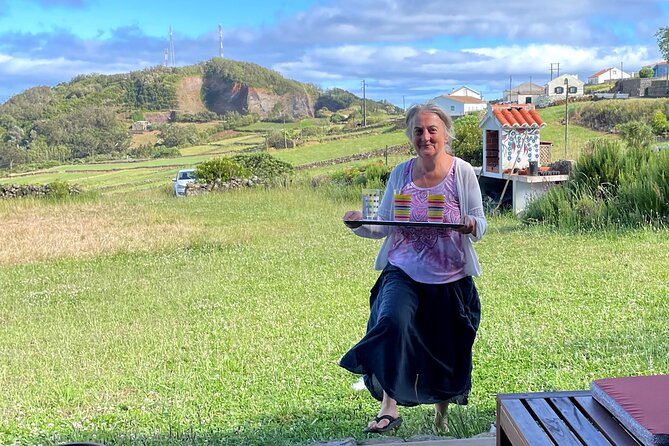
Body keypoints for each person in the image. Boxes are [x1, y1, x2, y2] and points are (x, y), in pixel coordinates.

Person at [340, 103, 486, 434]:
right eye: (418, 131)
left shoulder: (461, 172)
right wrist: (358, 225)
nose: (425, 137)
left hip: (449, 275)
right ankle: (388, 408)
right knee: (391, 322)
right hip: (402, 270)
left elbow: (481, 223)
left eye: (432, 129)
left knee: (443, 345)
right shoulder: (401, 174)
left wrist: (468, 224)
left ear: (445, 133)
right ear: (410, 136)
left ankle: (441, 415)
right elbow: (383, 226)